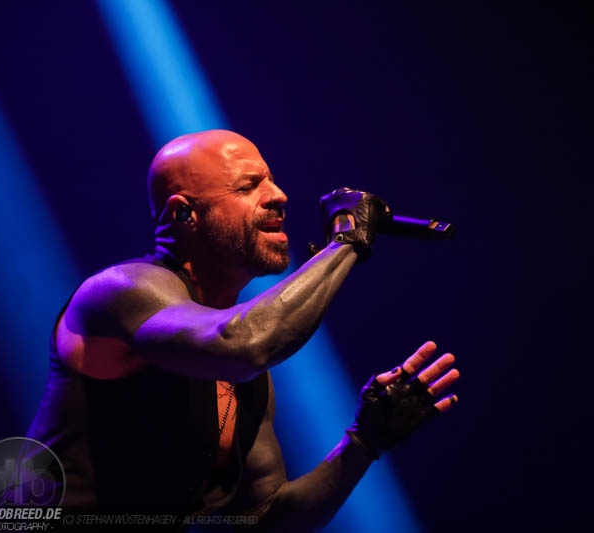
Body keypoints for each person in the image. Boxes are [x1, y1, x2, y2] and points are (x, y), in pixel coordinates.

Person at [26, 129, 460, 531]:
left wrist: (365, 442)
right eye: (248, 186)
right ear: (183, 213)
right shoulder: (122, 292)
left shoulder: (240, 371)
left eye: (271, 180)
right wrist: (346, 241)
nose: (279, 196)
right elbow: (242, 344)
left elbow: (265, 517)